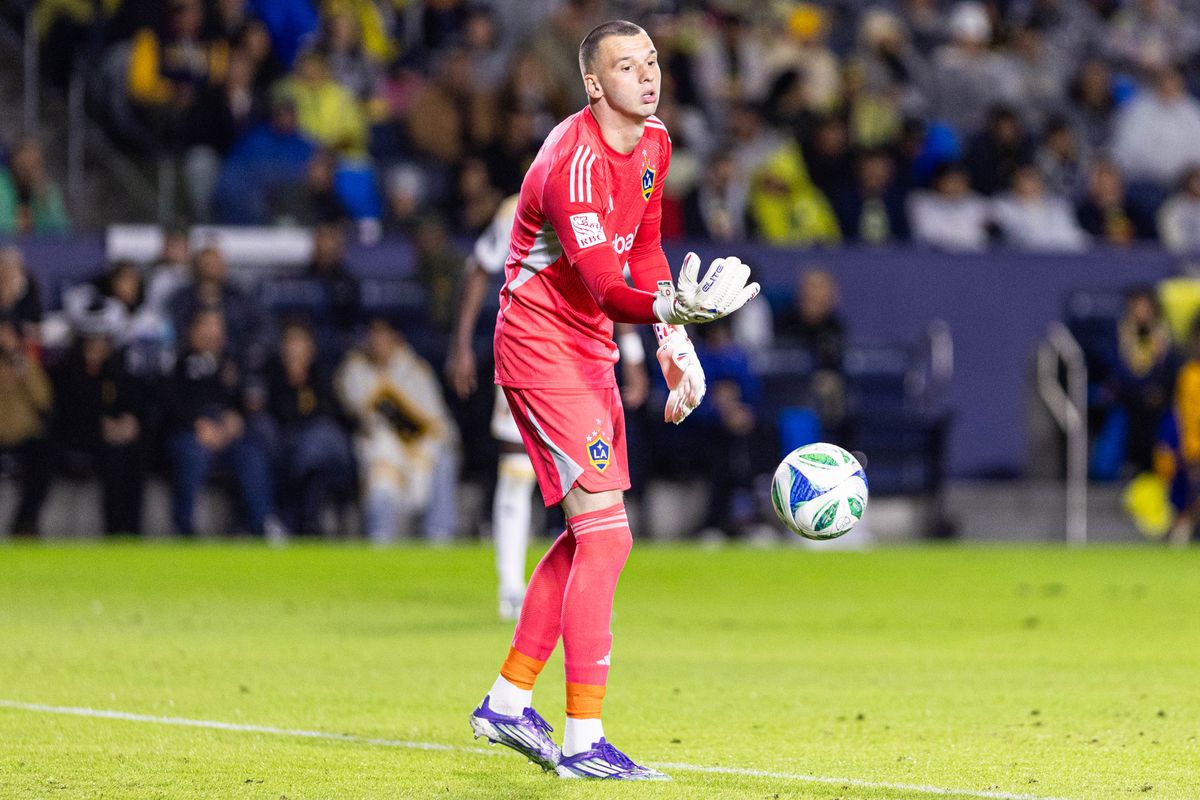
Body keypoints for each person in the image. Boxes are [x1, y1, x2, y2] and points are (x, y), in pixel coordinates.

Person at [467, 20, 759, 781]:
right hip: (540, 343)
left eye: (652, 61)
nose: (647, 75)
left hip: (588, 347)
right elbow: (604, 284)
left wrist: (677, 348)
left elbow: (648, 250)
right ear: (594, 84)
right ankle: (582, 739)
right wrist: (676, 314)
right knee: (608, 537)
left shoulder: (656, 145)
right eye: (625, 67)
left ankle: (506, 701)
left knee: (586, 535)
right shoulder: (574, 166)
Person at [445, 195, 648, 622]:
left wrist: (632, 353)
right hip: (531, 351)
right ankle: (511, 589)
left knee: (591, 482)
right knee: (517, 472)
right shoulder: (520, 206)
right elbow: (480, 266)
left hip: (588, 361)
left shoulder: (612, 202)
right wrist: (462, 342)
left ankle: (578, 585)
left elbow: (616, 286)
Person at [336, 317, 459, 544]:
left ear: (396, 339)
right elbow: (357, 407)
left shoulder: (415, 370)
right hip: (381, 445)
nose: (378, 343)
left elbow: (438, 423)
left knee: (444, 457)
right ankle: (381, 539)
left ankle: (439, 538)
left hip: (420, 447)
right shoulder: (356, 370)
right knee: (381, 472)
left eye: (383, 336)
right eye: (373, 337)